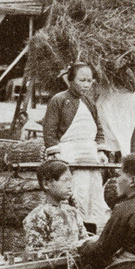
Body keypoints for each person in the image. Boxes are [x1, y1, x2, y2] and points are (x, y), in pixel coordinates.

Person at [42, 61, 111, 234]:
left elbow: (99, 129)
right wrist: (56, 155)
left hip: (90, 154)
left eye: (89, 81)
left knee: (93, 195)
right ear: (70, 80)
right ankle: (76, 231)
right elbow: (49, 132)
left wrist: (101, 151)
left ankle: (92, 232)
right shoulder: (58, 100)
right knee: (76, 194)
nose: (86, 85)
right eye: (82, 80)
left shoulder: (89, 101)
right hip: (69, 154)